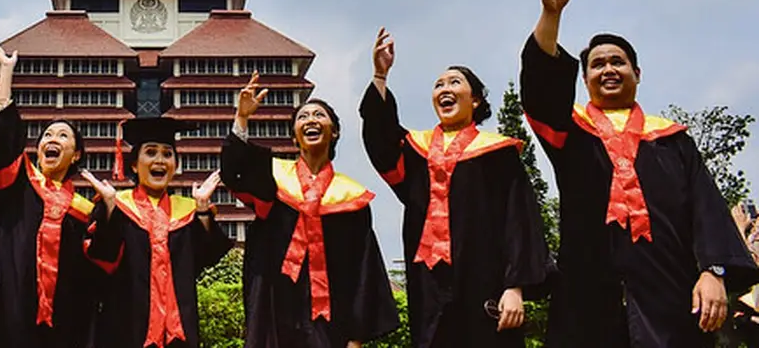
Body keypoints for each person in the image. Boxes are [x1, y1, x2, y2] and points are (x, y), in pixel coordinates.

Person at [520, 0, 759, 347]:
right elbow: (541, 90)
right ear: (585, 79)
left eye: (618, 62)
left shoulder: (671, 140)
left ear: (637, 73)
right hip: (587, 300)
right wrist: (551, 14)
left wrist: (713, 272)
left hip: (670, 294)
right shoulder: (571, 132)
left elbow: (706, 209)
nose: (608, 69)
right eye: (597, 64)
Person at [360, 28, 551, 347]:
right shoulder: (416, 151)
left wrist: (515, 287)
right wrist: (380, 75)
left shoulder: (498, 152)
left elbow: (520, 220)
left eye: (454, 82)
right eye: (438, 85)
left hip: (485, 281)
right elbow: (380, 138)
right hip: (429, 282)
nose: (444, 88)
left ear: (475, 100)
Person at [221, 73, 399, 348]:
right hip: (276, 314)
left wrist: (356, 337)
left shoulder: (351, 198)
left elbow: (364, 270)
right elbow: (233, 173)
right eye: (303, 117)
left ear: (334, 131)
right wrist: (242, 118)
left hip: (332, 322)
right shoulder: (274, 178)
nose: (311, 120)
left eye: (319, 115)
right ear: (294, 136)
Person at [0, 45, 101, 348]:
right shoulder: (19, 183)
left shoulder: (83, 210)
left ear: (76, 155)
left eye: (63, 136)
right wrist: (6, 74)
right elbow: (6, 140)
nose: (52, 139)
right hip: (8, 304)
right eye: (47, 136)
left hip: (63, 319)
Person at [83, 115, 231, 348]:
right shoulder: (117, 206)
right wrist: (110, 210)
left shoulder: (188, 210)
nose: (160, 160)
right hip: (125, 329)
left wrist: (203, 210)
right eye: (151, 152)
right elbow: (103, 257)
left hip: (178, 330)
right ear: (134, 164)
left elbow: (205, 258)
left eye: (167, 154)